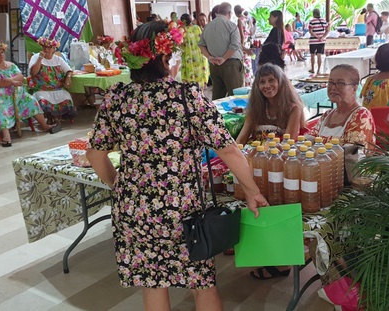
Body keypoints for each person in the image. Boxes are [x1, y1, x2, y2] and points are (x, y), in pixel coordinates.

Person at [86, 21, 268, 311]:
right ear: (164, 56)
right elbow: (229, 149)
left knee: (153, 282)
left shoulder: (116, 99)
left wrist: (119, 185)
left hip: (135, 210)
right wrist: (251, 190)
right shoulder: (186, 96)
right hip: (182, 211)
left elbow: (95, 155)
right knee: (201, 283)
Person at [0, 42, 59, 147]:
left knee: (31, 100)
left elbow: (21, 77)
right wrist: (12, 82)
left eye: (2, 52)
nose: (1, 55)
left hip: (18, 97)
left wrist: (8, 80)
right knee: (0, 107)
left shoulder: (10, 65)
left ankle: (44, 125)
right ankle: (6, 136)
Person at [235, 63, 307, 145]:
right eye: (262, 82)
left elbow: (288, 144)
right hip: (252, 154)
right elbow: (240, 141)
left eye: (271, 80)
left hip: (280, 155)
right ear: (257, 87)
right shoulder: (255, 108)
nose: (267, 85)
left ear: (281, 82)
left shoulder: (294, 109)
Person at [308, 64, 375, 147]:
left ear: (354, 88)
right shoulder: (327, 115)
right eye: (331, 82)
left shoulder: (361, 116)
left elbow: (352, 154)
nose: (333, 87)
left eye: (340, 83)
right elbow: (308, 141)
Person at [199, 2, 244, 100]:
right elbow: (235, 45)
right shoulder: (231, 26)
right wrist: (224, 58)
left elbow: (201, 45)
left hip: (214, 65)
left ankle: (217, 115)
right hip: (231, 65)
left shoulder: (207, 26)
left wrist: (209, 57)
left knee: (218, 98)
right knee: (236, 96)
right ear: (229, 13)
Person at [29, 37, 76, 124]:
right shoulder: (35, 57)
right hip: (42, 90)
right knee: (42, 99)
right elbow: (33, 72)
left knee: (66, 97)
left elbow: (69, 70)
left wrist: (68, 78)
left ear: (54, 49)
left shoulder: (58, 59)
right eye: (44, 47)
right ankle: (51, 118)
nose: (46, 49)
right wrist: (40, 58)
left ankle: (57, 117)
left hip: (58, 89)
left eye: (49, 47)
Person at [180, 13, 209, 87]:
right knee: (200, 80)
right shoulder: (197, 28)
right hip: (199, 56)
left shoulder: (182, 31)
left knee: (190, 81)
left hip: (188, 58)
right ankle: (201, 95)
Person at [234, 5, 254, 86]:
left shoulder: (240, 20)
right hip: (248, 42)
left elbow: (241, 35)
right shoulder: (248, 18)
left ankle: (246, 83)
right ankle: (250, 82)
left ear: (235, 12)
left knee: (244, 64)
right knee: (248, 63)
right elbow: (251, 31)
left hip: (244, 43)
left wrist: (242, 47)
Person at [308, 8, 329, 75]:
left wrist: (316, 37)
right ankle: (319, 70)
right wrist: (322, 37)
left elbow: (311, 31)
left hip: (313, 41)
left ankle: (313, 69)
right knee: (319, 54)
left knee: (312, 55)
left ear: (314, 14)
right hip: (321, 41)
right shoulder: (324, 21)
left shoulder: (312, 21)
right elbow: (327, 30)